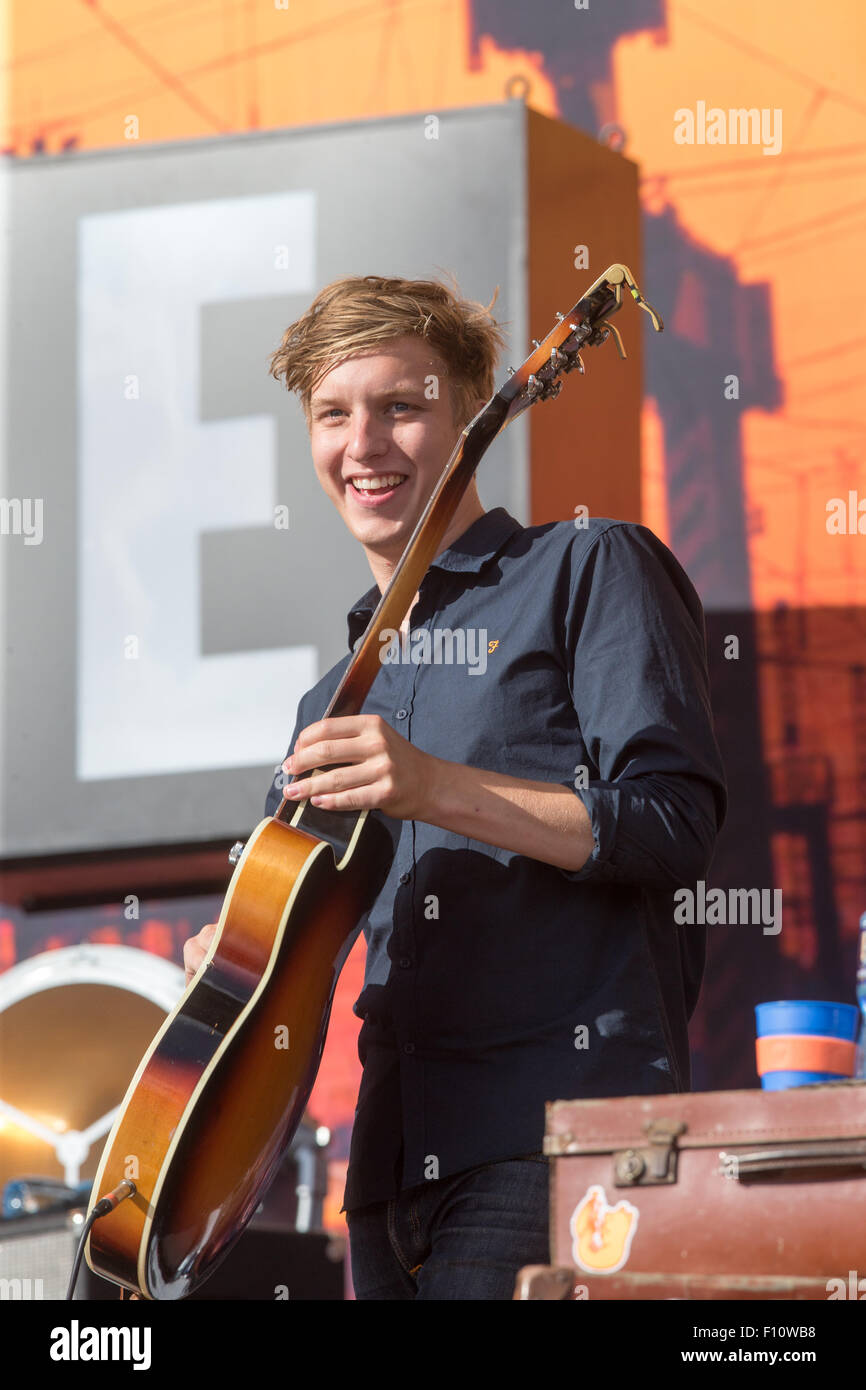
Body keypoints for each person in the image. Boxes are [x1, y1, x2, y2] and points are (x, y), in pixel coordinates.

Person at [183, 273, 727, 1300]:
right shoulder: (327, 701)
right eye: (332, 415)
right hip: (386, 1176)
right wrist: (242, 959)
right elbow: (298, 939)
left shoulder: (587, 567)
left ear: (474, 413)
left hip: (556, 1134)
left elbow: (670, 824)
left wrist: (431, 784)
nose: (364, 444)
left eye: (402, 405)